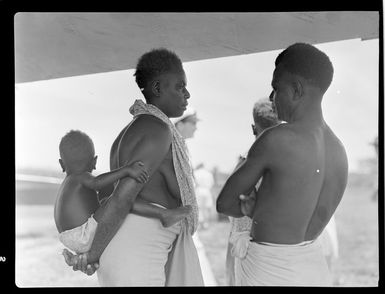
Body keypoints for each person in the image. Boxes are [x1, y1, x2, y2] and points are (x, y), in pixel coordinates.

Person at [64, 48, 204, 286]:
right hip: (137, 249)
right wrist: (93, 254)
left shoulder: (128, 132)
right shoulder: (157, 130)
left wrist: (97, 251)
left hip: (128, 247)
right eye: (180, 86)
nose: (187, 94)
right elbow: (121, 198)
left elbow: (107, 198)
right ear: (158, 88)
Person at [216, 43, 348, 286]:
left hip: (270, 270)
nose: (270, 97)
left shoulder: (276, 139)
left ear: (296, 90)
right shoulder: (339, 150)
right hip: (313, 269)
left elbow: (224, 203)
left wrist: (255, 209)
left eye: (275, 88)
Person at [55, 130, 192, 258]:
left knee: (106, 199)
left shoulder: (68, 182)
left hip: (68, 237)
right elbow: (97, 182)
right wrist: (127, 170)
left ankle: (80, 260)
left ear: (62, 164)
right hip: (82, 235)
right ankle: (163, 214)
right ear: (95, 162)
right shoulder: (81, 177)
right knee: (119, 199)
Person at [225, 98, 280, 285]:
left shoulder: (244, 162)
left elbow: (228, 206)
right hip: (273, 247)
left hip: (243, 248)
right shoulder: (284, 163)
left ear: (253, 128)